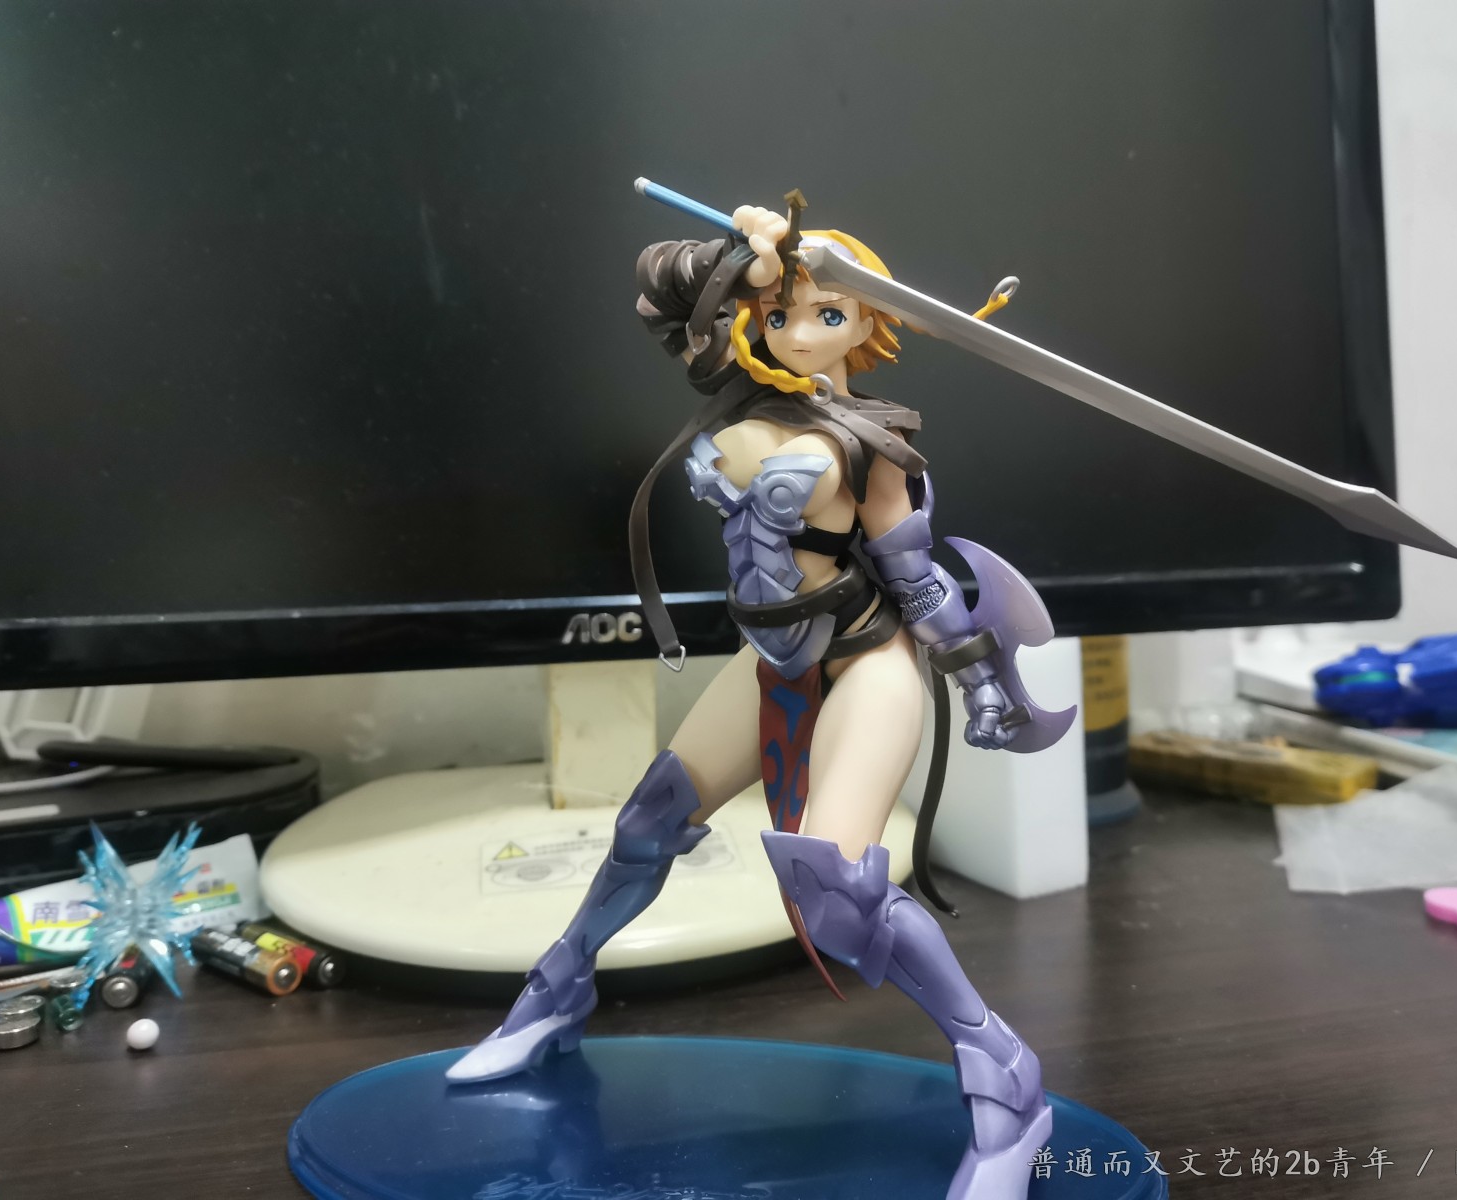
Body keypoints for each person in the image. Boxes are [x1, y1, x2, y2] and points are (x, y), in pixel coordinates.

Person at [447, 202, 1069, 1198]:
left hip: (863, 660)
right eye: (781, 315)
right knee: (650, 819)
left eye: (827, 313)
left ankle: (1007, 1079)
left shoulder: (874, 445)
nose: (799, 331)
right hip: (772, 659)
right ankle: (556, 993)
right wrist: (748, 255)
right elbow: (662, 288)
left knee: (838, 888)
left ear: (867, 323)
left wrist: (981, 679)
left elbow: (915, 581)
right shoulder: (740, 392)